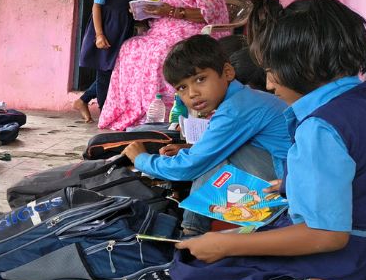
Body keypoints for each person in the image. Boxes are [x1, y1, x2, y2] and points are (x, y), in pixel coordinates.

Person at [133, 0, 366, 280]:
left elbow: (327, 236)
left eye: (274, 69)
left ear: (304, 66)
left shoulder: (319, 127)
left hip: (332, 267)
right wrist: (290, 187)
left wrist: (226, 246)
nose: (269, 81)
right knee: (218, 246)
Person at [122, 35, 290, 233]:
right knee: (206, 156)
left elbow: (190, 167)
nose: (192, 93)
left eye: (200, 79)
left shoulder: (236, 109)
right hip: (283, 181)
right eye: (182, 88)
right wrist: (191, 149)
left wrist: (141, 159)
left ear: (227, 72)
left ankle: (191, 232)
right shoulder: (245, 99)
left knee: (208, 162)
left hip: (284, 194)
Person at [97, 0, 229, 130]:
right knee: (130, 47)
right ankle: (139, 111)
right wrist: (142, 10)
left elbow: (210, 14)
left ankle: (168, 112)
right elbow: (151, 5)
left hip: (192, 31)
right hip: (159, 31)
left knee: (160, 51)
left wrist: (172, 11)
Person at [74, 0, 144, 122]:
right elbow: (97, 6)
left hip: (122, 26)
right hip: (107, 29)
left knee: (113, 70)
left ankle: (84, 99)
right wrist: (99, 34)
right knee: (105, 72)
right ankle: (106, 113)